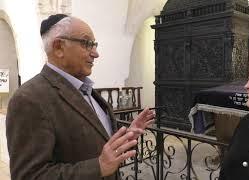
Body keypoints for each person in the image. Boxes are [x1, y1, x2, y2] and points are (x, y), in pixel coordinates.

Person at [6, 14, 155, 180]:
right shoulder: (29, 99)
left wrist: (127, 136)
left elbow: (95, 141)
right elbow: (29, 176)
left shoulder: (86, 89)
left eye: (95, 44)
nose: (96, 53)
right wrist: (98, 167)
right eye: (87, 43)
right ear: (58, 47)